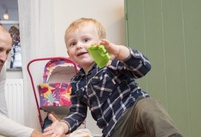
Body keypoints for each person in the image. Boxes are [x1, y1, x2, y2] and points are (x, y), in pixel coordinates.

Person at [43, 18, 182, 137]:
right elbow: (77, 113)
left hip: (133, 112)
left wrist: (120, 51)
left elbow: (143, 67)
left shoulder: (111, 62)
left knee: (148, 105)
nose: (79, 46)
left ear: (100, 43)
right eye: (73, 44)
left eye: (85, 40)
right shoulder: (76, 83)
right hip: (113, 131)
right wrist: (63, 126)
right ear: (69, 53)